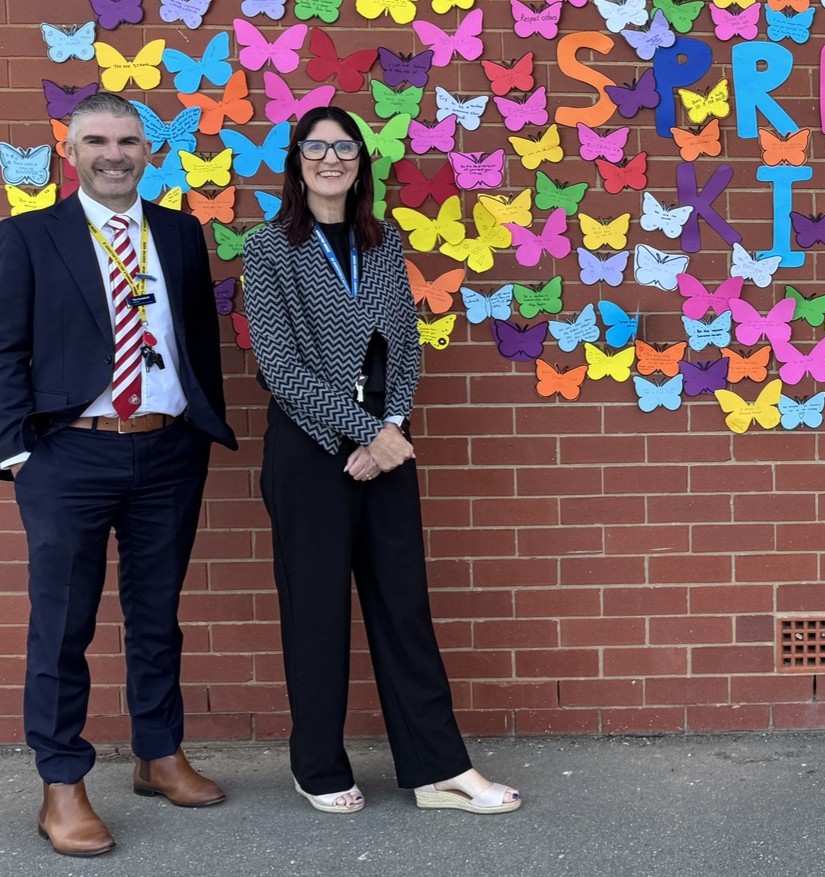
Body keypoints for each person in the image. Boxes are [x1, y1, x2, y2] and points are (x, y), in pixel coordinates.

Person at [241, 107, 519, 816]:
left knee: (403, 606)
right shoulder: (268, 248)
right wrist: (364, 431)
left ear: (361, 162)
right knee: (317, 610)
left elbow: (407, 345)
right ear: (296, 160)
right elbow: (279, 366)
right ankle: (316, 765)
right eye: (316, 147)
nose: (330, 159)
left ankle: (437, 769)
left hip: (386, 447)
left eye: (345, 148)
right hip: (309, 451)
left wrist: (388, 429)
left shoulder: (382, 239)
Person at [0, 93, 236, 856]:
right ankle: (61, 782)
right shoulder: (27, 237)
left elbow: (197, 339)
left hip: (167, 451)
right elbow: (4, 350)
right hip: (69, 454)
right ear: (70, 152)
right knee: (63, 623)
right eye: (97, 140)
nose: (113, 154)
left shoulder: (181, 233)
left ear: (148, 151)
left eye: (128, 141)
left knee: (156, 612)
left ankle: (157, 753)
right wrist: (17, 454)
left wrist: (197, 430)